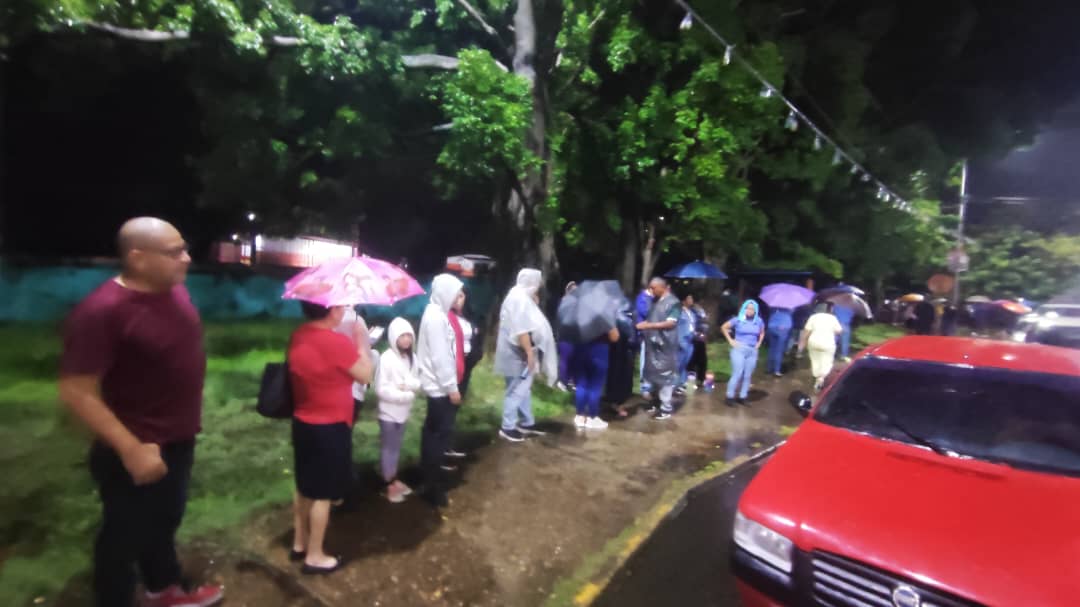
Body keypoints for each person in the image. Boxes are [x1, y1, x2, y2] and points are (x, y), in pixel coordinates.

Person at [59, 217, 224, 607]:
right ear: (138, 258)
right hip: (135, 445)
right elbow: (76, 390)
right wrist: (130, 449)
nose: (186, 258)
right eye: (174, 252)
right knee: (122, 537)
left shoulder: (175, 292)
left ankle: (163, 588)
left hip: (178, 436)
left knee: (164, 521)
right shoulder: (101, 312)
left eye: (185, 248)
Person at [288, 301, 375, 574]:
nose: (342, 311)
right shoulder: (336, 342)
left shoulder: (299, 335)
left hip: (303, 422)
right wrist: (362, 343)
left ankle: (299, 543)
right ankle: (315, 555)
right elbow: (366, 375)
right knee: (323, 494)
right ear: (332, 310)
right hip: (330, 426)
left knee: (304, 486)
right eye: (339, 306)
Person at [417, 274, 466, 508]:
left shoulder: (435, 314)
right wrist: (451, 387)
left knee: (432, 434)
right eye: (456, 292)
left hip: (436, 386)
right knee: (438, 437)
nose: (458, 297)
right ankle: (434, 489)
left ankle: (429, 481)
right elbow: (440, 357)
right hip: (439, 389)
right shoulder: (436, 317)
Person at [493, 268, 558, 442]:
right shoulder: (519, 299)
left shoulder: (517, 296)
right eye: (537, 283)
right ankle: (508, 426)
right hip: (517, 353)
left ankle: (526, 422)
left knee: (523, 389)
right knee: (516, 389)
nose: (538, 287)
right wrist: (529, 352)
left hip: (514, 351)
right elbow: (521, 329)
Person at [375, 318, 421, 504]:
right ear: (394, 337)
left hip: (404, 412)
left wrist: (408, 385)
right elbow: (381, 388)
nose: (406, 339)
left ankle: (393, 477)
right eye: (402, 335)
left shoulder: (412, 358)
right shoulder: (386, 358)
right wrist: (403, 395)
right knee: (389, 448)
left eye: (409, 335)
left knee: (396, 447)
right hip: (389, 412)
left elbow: (417, 381)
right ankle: (389, 483)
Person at [636, 277, 681, 420]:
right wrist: (644, 323)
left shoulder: (674, 303)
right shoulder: (655, 301)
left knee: (665, 377)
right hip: (652, 345)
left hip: (665, 346)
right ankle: (656, 401)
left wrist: (648, 326)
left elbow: (670, 323)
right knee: (653, 375)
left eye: (653, 288)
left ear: (662, 287)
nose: (651, 291)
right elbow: (652, 318)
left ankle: (666, 408)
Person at [571, 325, 621, 430]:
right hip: (598, 350)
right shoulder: (602, 315)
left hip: (579, 349)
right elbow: (614, 337)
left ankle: (580, 416)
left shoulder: (576, 314)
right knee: (595, 385)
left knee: (581, 383)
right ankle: (592, 417)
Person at [722, 300, 765, 406]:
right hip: (739, 349)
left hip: (752, 351)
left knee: (747, 376)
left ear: (755, 311)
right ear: (744, 308)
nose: (750, 310)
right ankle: (730, 397)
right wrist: (730, 340)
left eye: (752, 309)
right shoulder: (738, 320)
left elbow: (762, 332)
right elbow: (723, 327)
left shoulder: (758, 321)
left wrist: (759, 343)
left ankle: (743, 396)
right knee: (737, 373)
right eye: (748, 308)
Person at [799, 302, 844, 392]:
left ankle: (816, 375)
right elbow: (839, 331)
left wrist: (802, 343)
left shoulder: (813, 317)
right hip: (828, 343)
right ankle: (821, 378)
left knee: (815, 360)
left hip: (814, 342)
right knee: (827, 361)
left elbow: (806, 331)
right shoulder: (832, 318)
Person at [634, 285, 655, 398]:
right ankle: (645, 387)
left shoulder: (653, 299)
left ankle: (650, 386)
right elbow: (648, 314)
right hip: (645, 334)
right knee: (645, 361)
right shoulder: (642, 299)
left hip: (653, 334)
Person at [676, 293, 698, 393]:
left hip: (690, 340)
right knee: (679, 363)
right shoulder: (679, 312)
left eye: (692, 298)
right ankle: (674, 385)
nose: (691, 300)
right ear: (683, 301)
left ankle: (682, 382)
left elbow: (693, 326)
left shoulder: (692, 313)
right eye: (689, 298)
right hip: (682, 339)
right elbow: (675, 326)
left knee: (686, 362)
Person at [766, 306, 794, 377]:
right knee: (779, 350)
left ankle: (769, 368)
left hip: (772, 327)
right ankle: (776, 370)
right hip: (783, 328)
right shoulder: (790, 306)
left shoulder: (774, 306)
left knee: (772, 349)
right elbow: (791, 313)